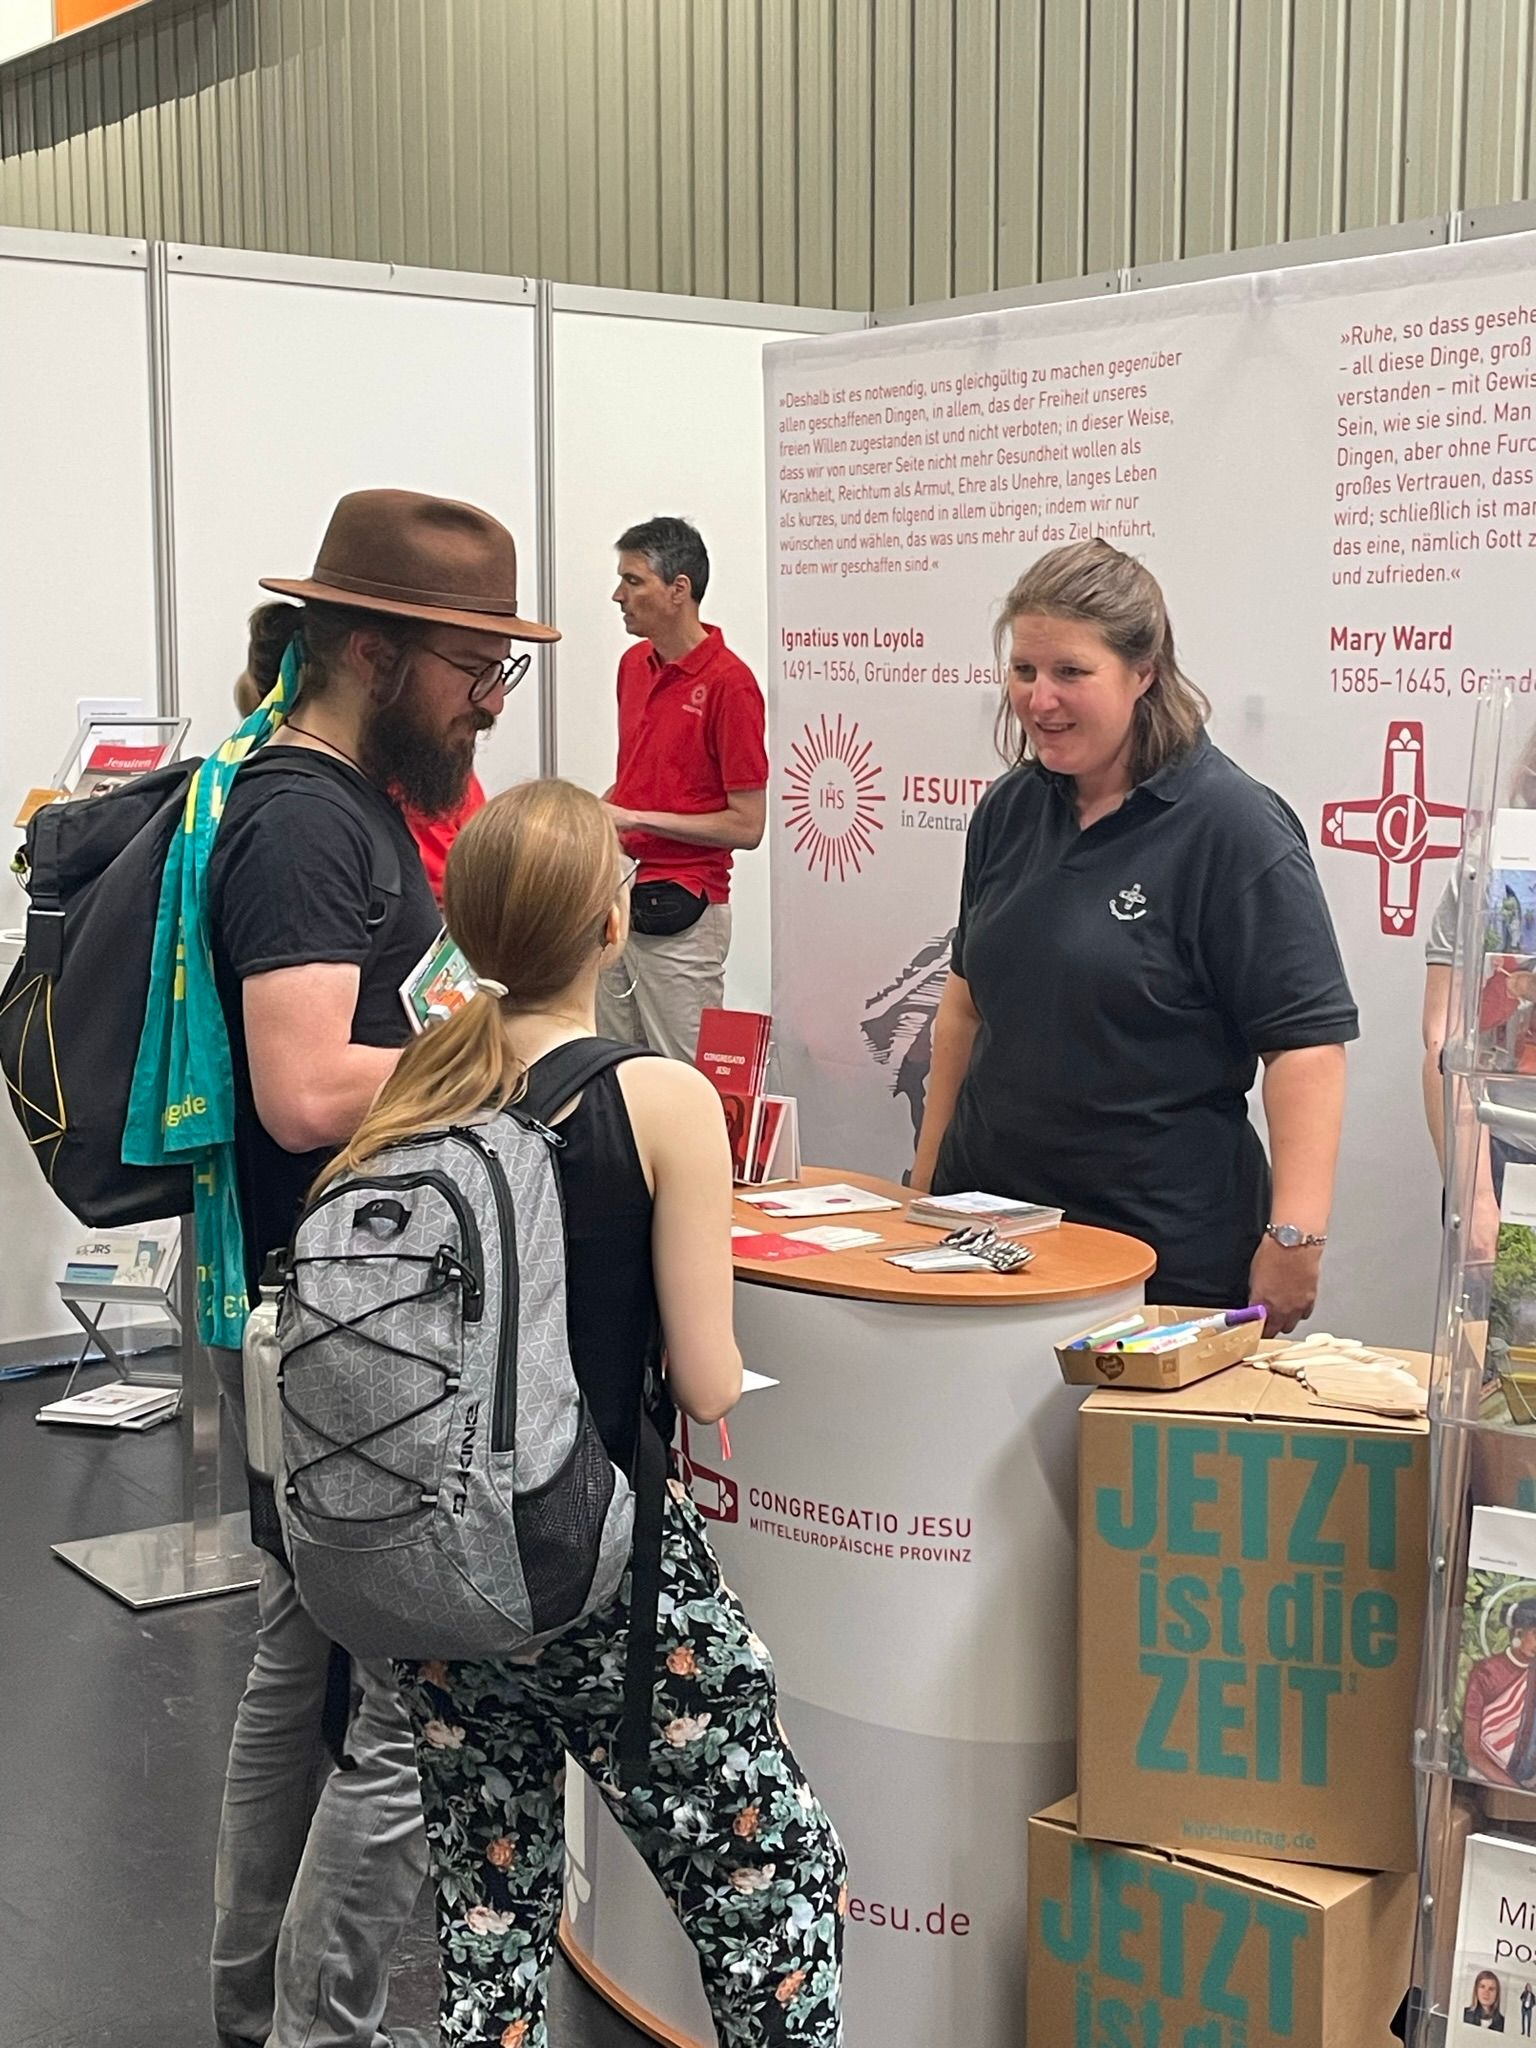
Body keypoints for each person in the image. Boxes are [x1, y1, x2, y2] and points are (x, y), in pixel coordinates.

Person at [309, 778, 846, 2047]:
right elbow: (706, 1377)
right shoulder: (656, 1095)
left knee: (494, 1910)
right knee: (772, 1885)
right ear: (615, 925)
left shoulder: (410, 1089)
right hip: (600, 1568)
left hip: (430, 1565)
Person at [205, 487, 556, 2048]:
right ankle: (314, 2025)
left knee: (308, 1667)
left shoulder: (332, 801)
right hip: (346, 1328)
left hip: (336, 1312)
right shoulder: (303, 821)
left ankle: (249, 2002)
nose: (491, 698)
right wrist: (513, 1058)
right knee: (405, 1704)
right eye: (475, 664)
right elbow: (299, 1084)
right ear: (372, 649)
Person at [911, 540, 1357, 1334]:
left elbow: (1305, 1048)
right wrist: (924, 1185)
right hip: (986, 1235)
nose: (1039, 700)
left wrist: (1295, 1238)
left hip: (1161, 1256)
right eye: (1024, 671)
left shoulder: (1234, 827)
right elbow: (965, 1008)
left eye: (1070, 673)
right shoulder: (1008, 813)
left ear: (1143, 670)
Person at [597, 515, 768, 1062]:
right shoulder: (632, 666)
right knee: (610, 1065)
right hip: (616, 898)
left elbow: (748, 825)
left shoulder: (730, 685)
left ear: (679, 590)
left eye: (633, 580)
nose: (618, 595)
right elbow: (643, 779)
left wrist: (638, 818)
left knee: (684, 1076)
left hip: (684, 910)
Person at [236, 603, 491, 906]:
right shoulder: (303, 825)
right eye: (473, 670)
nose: (495, 702)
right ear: (374, 657)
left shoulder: (362, 795)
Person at [1462, 1597, 1536, 1789]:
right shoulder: (1486, 1672)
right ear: (1518, 1632)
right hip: (1486, 1781)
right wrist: (1514, 1789)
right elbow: (1472, 1750)